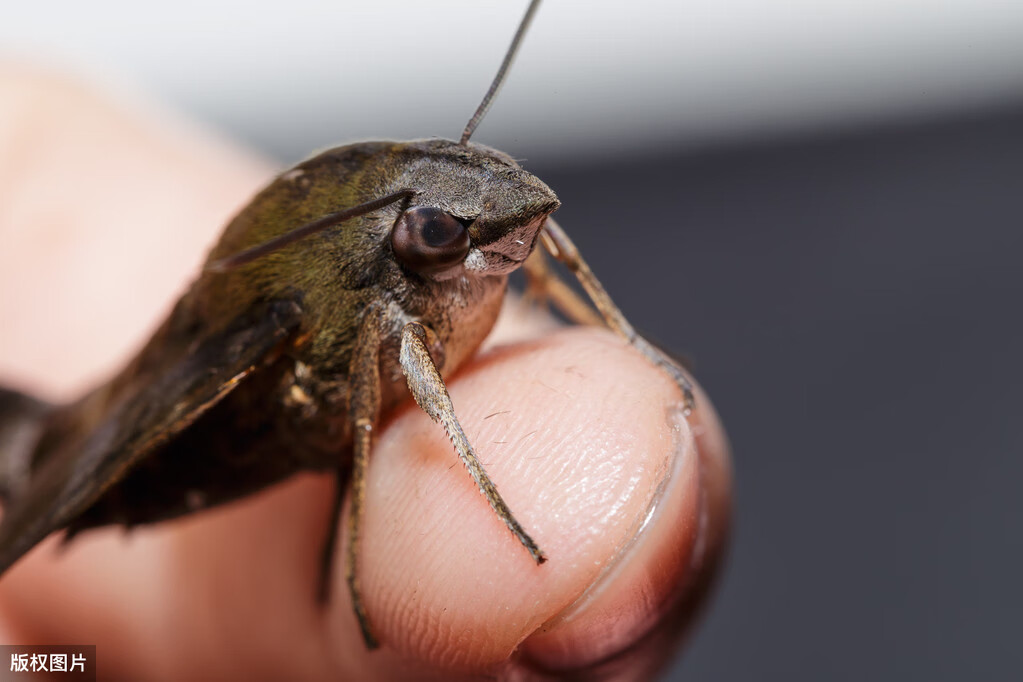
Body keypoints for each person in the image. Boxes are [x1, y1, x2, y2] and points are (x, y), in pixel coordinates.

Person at [0, 64, 731, 680]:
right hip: (138, 435)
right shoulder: (368, 303)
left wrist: (624, 337)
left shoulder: (454, 239)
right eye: (444, 234)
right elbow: (358, 386)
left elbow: (532, 232)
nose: (506, 238)